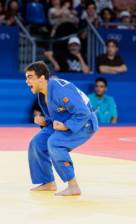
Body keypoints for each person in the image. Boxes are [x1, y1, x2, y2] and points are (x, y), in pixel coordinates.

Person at [25, 61, 98, 196]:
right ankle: (48, 182)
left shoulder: (60, 89)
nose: (26, 81)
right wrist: (44, 121)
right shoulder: (42, 94)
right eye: (26, 77)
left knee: (55, 143)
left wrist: (66, 126)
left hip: (85, 123)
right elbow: (55, 117)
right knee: (37, 142)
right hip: (67, 120)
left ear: (41, 78)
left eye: (30, 77)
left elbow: (83, 112)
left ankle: (73, 186)